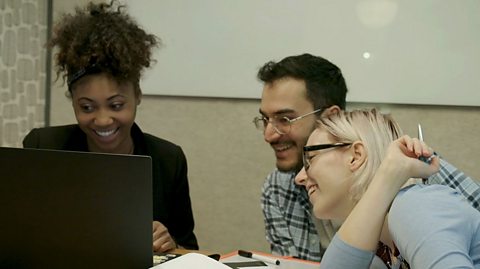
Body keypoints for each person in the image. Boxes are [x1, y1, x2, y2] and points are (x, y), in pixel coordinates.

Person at [254, 53, 480, 261]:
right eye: (264, 120)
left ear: (356, 155)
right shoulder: (381, 242)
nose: (268, 134)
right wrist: (385, 182)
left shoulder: (416, 190)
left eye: (285, 119)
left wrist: (390, 175)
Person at [22, 1, 198, 252]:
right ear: (73, 101)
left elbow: (190, 249)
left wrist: (170, 243)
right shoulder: (43, 148)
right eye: (87, 107)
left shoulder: (168, 160)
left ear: (137, 94)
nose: (103, 120)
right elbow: (20, 234)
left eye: (115, 105)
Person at [295, 108, 480, 268]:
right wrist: (387, 177)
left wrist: (389, 173)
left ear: (356, 156)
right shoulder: (381, 246)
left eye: (310, 158)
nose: (299, 178)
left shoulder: (414, 207)